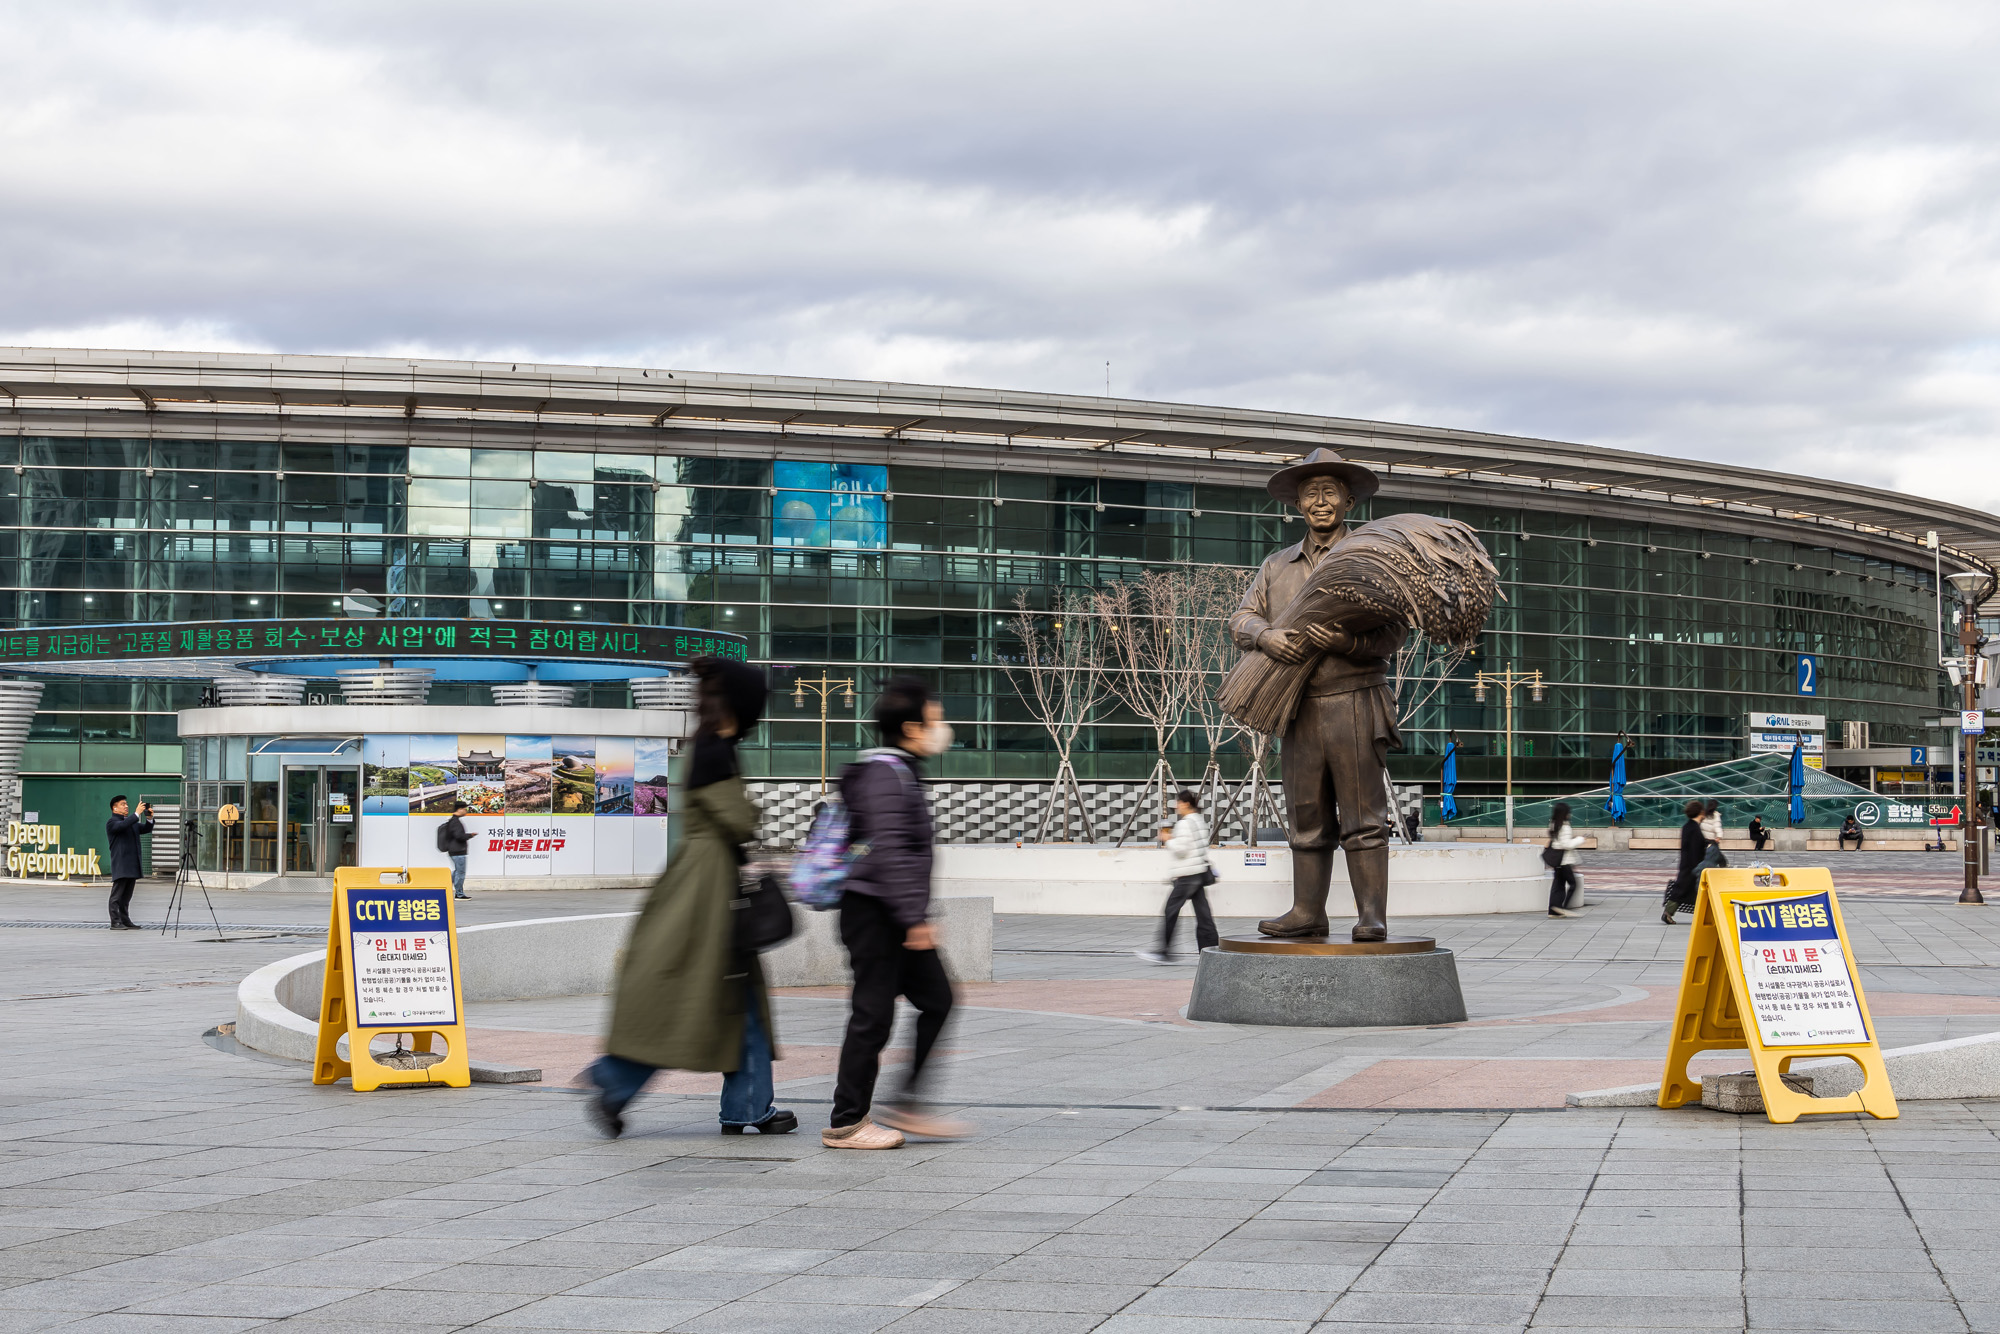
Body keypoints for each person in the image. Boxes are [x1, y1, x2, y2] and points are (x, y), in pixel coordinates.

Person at [584, 657, 795, 1139]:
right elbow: (738, 822)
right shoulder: (716, 751)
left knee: (731, 998)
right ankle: (615, 1080)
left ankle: (747, 1106)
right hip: (708, 892)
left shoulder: (706, 745)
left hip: (701, 884)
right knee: (701, 998)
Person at [825, 674, 967, 1149]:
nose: (941, 727)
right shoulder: (886, 775)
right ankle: (847, 1123)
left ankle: (906, 1104)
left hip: (890, 910)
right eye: (935, 718)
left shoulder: (898, 771)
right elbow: (886, 851)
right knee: (872, 1015)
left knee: (939, 999)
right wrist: (913, 919)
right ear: (910, 728)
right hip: (875, 914)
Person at [1138, 790, 1218, 963]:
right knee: (1204, 916)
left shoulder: (1184, 824)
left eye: (1179, 803)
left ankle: (1165, 951)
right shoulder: (1199, 821)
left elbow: (1181, 850)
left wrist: (1168, 839)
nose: (1176, 806)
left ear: (1186, 804)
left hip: (1187, 875)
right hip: (1199, 873)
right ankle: (1211, 951)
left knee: (1170, 911)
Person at [104, 796, 154, 930]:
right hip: (121, 864)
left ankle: (125, 920)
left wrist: (149, 818)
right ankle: (115, 922)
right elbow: (122, 826)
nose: (126, 806)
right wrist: (136, 814)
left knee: (126, 896)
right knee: (117, 895)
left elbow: (145, 829)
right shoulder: (112, 822)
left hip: (132, 864)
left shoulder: (130, 822)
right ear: (115, 808)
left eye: (126, 804)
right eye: (122, 804)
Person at [1663, 798, 1707, 924]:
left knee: (1684, 890)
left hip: (1687, 865)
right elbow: (1695, 849)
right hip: (1692, 866)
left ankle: (1669, 913)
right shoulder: (1694, 829)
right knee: (1683, 890)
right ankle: (1668, 913)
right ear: (1700, 813)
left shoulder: (1688, 826)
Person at [1545, 802, 1584, 918]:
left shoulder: (1553, 824)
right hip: (1565, 861)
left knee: (1558, 886)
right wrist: (1580, 839)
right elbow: (1567, 844)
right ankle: (1563, 908)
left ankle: (1553, 911)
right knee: (1573, 884)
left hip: (1557, 861)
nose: (1570, 814)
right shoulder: (1565, 827)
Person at [439, 802, 471, 899]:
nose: (466, 811)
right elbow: (459, 836)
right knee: (460, 873)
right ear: (460, 809)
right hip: (458, 851)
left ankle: (444, 887)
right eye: (465, 809)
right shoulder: (455, 822)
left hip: (454, 850)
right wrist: (470, 835)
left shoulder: (452, 821)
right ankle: (459, 894)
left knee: (457, 871)